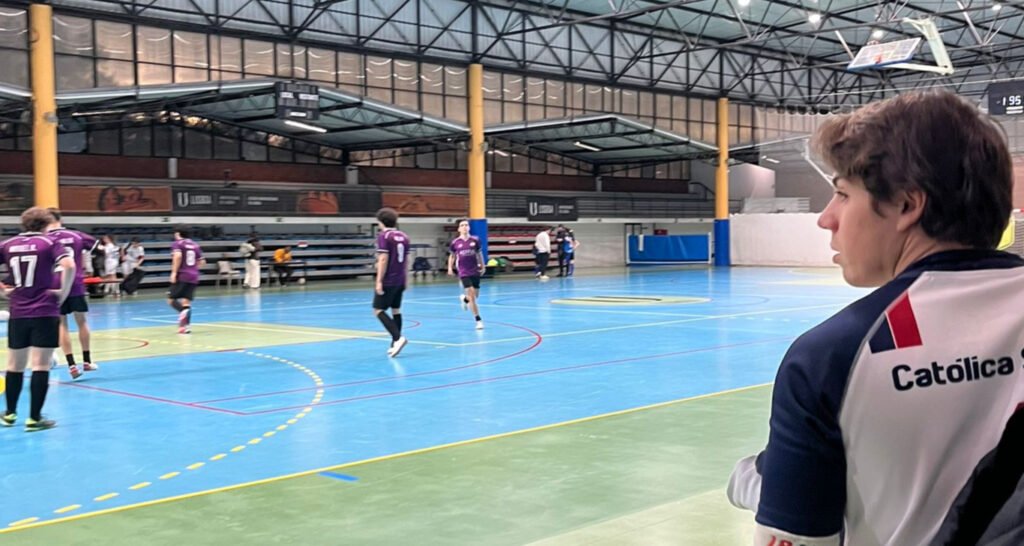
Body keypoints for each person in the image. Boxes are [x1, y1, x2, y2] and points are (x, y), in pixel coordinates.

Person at [726, 91, 1024, 545]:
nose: (827, 219)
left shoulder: (831, 357)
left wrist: (766, 485)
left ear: (907, 206)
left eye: (843, 195)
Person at [0, 207, 75, 432]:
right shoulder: (50, 243)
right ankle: (34, 418)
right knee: (41, 365)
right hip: (45, 309)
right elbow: (69, 265)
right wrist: (63, 291)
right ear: (46, 224)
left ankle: (10, 414)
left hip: (18, 310)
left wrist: (3, 289)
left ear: (24, 224)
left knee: (14, 366)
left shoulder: (7, 244)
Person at [46, 209, 99, 379]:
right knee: (81, 321)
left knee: (62, 324)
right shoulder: (76, 235)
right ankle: (87, 361)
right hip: (75, 282)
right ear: (60, 219)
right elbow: (99, 248)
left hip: (54, 283)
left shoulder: (45, 239)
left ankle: (71, 366)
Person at [373, 208, 409, 357]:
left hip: (389, 279)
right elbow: (406, 260)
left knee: (378, 310)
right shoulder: (404, 236)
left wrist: (379, 281)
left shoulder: (384, 236)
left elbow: (383, 259)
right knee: (396, 310)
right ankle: (395, 343)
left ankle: (398, 338)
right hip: (400, 279)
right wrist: (406, 279)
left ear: (381, 222)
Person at [447, 219, 485, 330]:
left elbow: (479, 254)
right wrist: (450, 267)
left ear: (469, 227)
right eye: (462, 225)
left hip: (475, 270)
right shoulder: (455, 243)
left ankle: (465, 300)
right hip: (463, 271)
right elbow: (452, 256)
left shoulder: (475, 240)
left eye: (466, 225)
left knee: (475, 295)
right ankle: (478, 320)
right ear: (459, 229)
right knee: (472, 295)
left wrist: (483, 266)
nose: (464, 227)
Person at [167, 225, 205, 334]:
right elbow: (202, 262)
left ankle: (183, 317)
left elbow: (177, 256)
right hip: (193, 275)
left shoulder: (178, 244)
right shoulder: (195, 245)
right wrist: (192, 269)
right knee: (186, 301)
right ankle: (185, 327)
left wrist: (174, 273)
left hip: (182, 275)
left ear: (177, 233)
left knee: (170, 299)